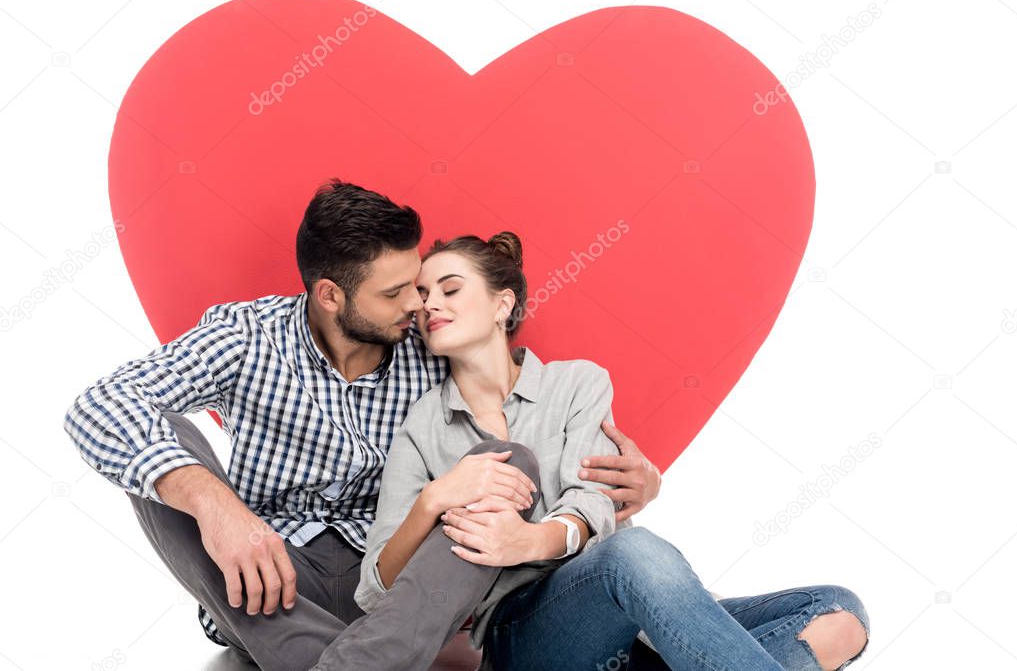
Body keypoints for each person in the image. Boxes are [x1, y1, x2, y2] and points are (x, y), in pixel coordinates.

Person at [62, 179, 661, 671]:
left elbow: (524, 414)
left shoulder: (430, 345)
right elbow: (99, 405)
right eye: (398, 291)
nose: (420, 306)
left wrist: (633, 483)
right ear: (330, 295)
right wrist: (221, 512)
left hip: (398, 583)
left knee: (506, 460)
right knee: (161, 451)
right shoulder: (248, 335)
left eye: (421, 285)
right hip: (266, 573)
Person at [312, 232, 871, 671]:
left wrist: (529, 539)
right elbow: (373, 590)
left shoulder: (577, 384)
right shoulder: (422, 426)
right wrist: (433, 499)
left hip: (629, 622)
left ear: (503, 303)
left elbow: (595, 502)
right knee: (636, 553)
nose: (431, 304)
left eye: (451, 289)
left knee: (839, 613)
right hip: (523, 634)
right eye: (425, 295)